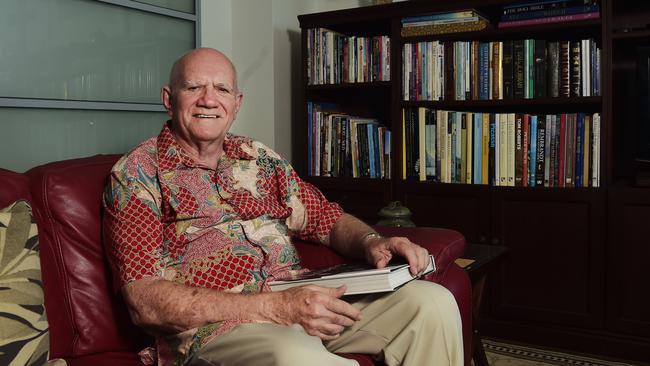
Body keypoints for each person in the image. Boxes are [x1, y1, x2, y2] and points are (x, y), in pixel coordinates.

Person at [103, 47, 463, 366]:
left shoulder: (259, 158)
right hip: (219, 329)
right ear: (169, 98)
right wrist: (275, 307)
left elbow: (325, 217)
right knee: (299, 357)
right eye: (194, 87)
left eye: (222, 89)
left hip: (300, 302)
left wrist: (371, 241)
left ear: (237, 103)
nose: (209, 100)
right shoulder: (138, 174)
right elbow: (144, 300)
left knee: (431, 304)